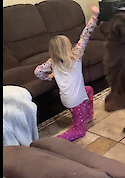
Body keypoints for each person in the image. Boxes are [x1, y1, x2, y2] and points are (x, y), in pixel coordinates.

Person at [34, 6, 100, 141]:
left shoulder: (52, 62)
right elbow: (85, 35)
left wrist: (48, 76)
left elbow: (37, 71)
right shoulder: (75, 55)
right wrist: (94, 17)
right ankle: (57, 140)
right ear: (68, 45)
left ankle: (87, 116)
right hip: (77, 102)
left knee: (89, 89)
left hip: (66, 100)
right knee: (79, 130)